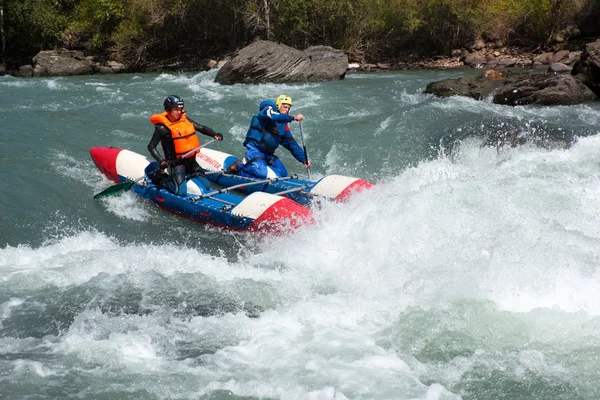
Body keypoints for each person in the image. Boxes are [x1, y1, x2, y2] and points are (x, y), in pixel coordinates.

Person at [147, 94, 223, 196]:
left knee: (207, 185)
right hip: (176, 164)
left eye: (180, 109)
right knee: (181, 192)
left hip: (191, 162)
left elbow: (202, 128)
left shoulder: (185, 120)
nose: (179, 112)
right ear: (168, 109)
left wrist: (214, 134)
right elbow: (151, 146)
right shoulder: (162, 128)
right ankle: (163, 179)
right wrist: (161, 161)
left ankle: (187, 175)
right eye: (175, 109)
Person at [228, 94, 310, 178]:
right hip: (255, 150)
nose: (287, 110)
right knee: (261, 173)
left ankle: (260, 167)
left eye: (288, 108)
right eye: (285, 107)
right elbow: (271, 114)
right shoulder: (268, 109)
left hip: (268, 154)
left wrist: (304, 159)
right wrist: (292, 118)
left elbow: (291, 144)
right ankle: (238, 166)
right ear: (278, 105)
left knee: (283, 174)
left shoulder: (283, 126)